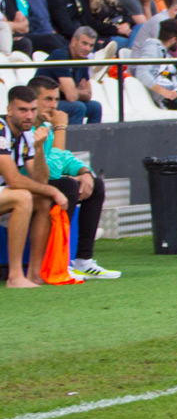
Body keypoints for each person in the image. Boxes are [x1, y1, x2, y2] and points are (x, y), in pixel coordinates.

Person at [26, 77, 120, 278]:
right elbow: (51, 173)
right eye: (48, 99)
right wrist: (61, 129)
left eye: (56, 99)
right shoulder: (28, 129)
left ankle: (83, 260)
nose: (54, 105)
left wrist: (84, 172)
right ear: (33, 100)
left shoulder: (46, 126)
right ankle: (60, 261)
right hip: (26, 186)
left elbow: (64, 157)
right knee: (67, 185)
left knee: (95, 185)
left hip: (41, 183)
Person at [1, 85, 67, 288]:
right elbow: (14, 179)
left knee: (42, 200)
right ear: (9, 109)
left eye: (32, 110)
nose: (29, 116)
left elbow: (40, 179)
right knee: (23, 196)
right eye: (22, 110)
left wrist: (39, 149)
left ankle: (34, 273)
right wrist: (54, 191)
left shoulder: (27, 133)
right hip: (6, 190)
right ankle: (15, 276)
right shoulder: (1, 130)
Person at [36, 25, 103, 124]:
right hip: (44, 102)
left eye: (91, 45)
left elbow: (88, 94)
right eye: (84, 43)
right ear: (73, 41)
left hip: (62, 101)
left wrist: (72, 91)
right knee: (77, 107)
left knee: (96, 107)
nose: (87, 48)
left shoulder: (84, 61)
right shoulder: (60, 56)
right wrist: (77, 91)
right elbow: (71, 96)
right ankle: (71, 139)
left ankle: (91, 139)